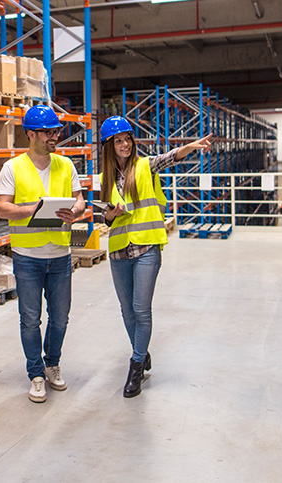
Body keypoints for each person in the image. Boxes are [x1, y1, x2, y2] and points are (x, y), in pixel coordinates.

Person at [99, 116, 212, 398]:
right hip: (119, 249)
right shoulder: (105, 177)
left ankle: (136, 366)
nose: (125, 145)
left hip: (147, 247)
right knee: (126, 311)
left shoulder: (145, 165)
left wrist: (193, 146)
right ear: (109, 147)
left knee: (141, 309)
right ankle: (141, 349)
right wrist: (110, 215)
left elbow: (171, 156)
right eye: (118, 141)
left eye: (127, 139)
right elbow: (106, 218)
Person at [0, 105, 86, 403]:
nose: (54, 137)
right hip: (27, 257)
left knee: (60, 317)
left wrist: (75, 212)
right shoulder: (13, 167)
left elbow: (80, 200)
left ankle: (52, 364)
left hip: (60, 253)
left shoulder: (66, 165)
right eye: (49, 132)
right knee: (30, 319)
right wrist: (31, 210)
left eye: (56, 132)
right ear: (31, 134)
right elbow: (2, 207)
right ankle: (35, 374)